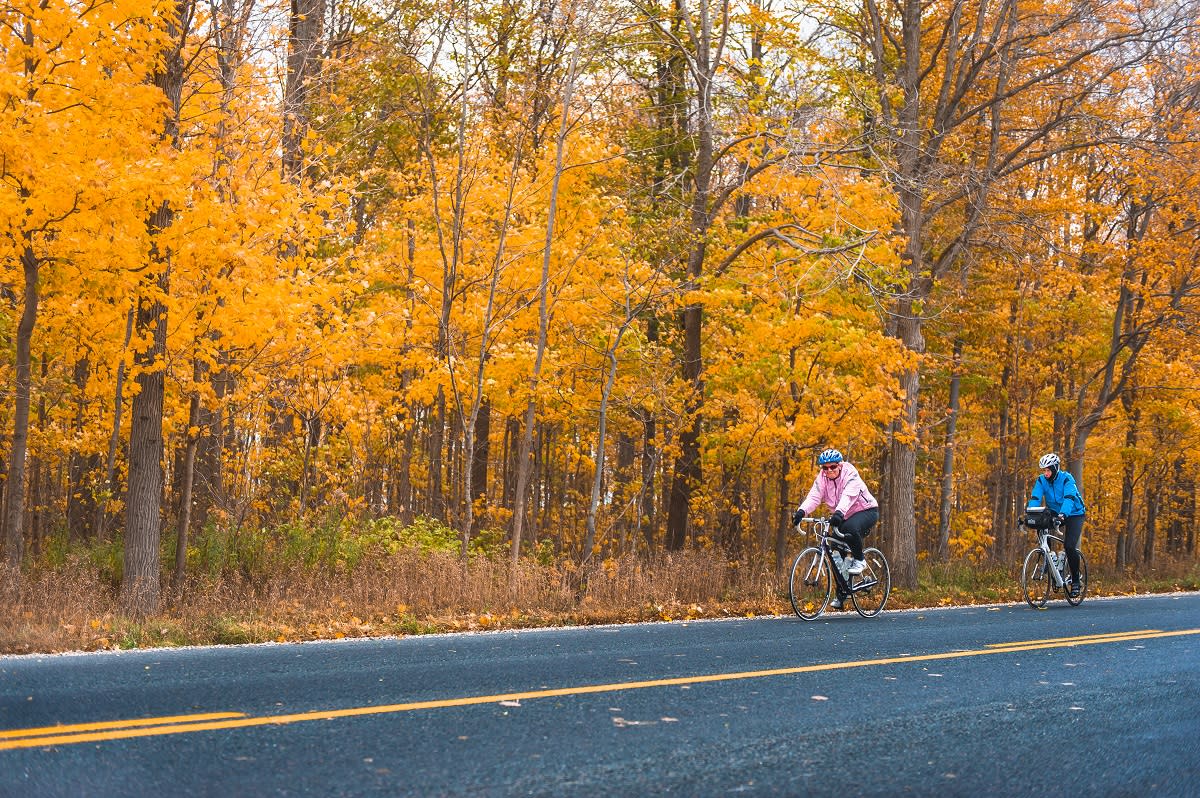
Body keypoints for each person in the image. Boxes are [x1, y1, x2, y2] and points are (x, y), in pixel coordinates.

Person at [791, 448, 880, 610]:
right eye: (825, 468)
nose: (829, 471)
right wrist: (801, 512)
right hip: (843, 515)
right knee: (834, 553)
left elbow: (848, 496)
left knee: (851, 528)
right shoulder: (822, 478)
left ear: (839, 465)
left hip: (866, 511)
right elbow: (813, 497)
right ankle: (842, 593)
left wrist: (838, 513)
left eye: (832, 467)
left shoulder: (850, 473)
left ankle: (860, 560)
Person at [1029, 452, 1086, 597]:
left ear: (1055, 469)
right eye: (1044, 471)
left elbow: (1069, 498)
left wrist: (1062, 516)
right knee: (1041, 524)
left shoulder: (1067, 479)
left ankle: (1075, 581)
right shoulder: (1041, 481)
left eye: (1048, 470)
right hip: (1055, 511)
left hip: (1074, 513)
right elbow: (1035, 497)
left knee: (1069, 546)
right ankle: (1049, 559)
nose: (1046, 473)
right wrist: (1029, 515)